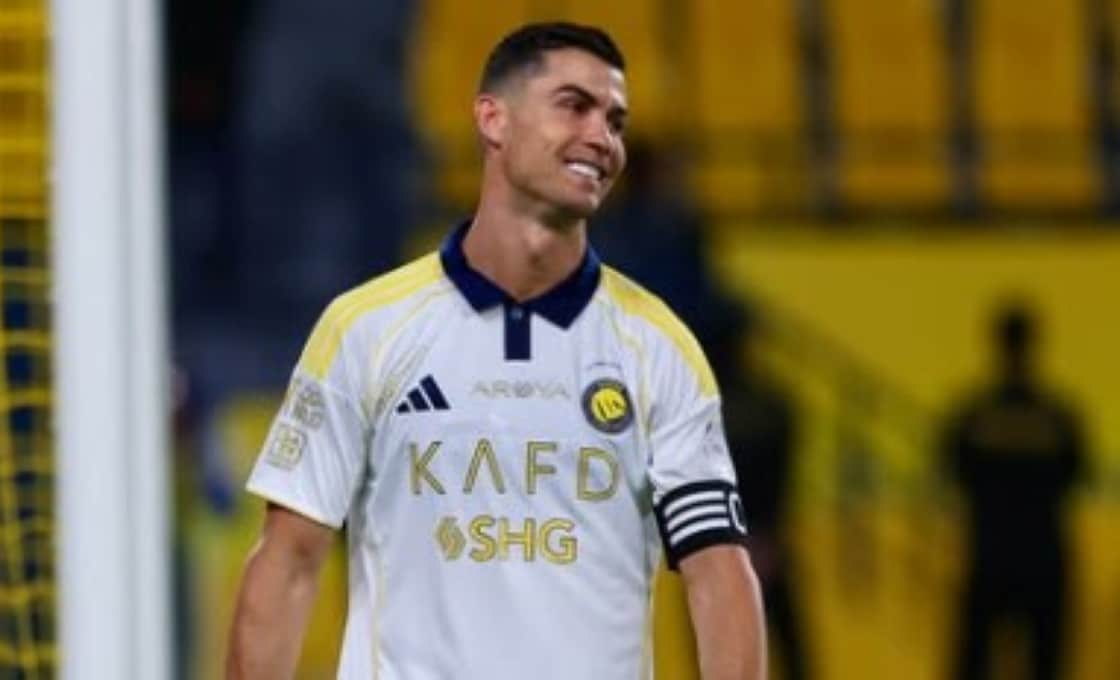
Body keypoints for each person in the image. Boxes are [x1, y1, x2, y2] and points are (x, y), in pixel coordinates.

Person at [227, 22, 767, 679]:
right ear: (493, 119)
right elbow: (289, 560)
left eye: (615, 121)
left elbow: (718, 571)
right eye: (574, 106)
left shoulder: (658, 347)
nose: (602, 137)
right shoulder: (365, 330)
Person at [943, 301, 1086, 680]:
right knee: (1046, 663)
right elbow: (1074, 475)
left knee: (972, 662)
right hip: (1043, 556)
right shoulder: (1057, 417)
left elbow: (955, 471)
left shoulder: (975, 415)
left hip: (990, 553)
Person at [708, 302, 809, 680]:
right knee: (788, 649)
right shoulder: (774, 406)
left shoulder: (698, 412)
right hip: (762, 541)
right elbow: (782, 482)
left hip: (719, 548)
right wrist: (768, 537)